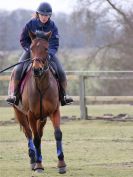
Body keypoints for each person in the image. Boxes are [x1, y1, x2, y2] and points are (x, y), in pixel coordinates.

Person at [6, 2, 73, 106]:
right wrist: (30, 50)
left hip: (47, 53)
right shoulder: (30, 24)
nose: (44, 17)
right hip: (31, 52)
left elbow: (55, 43)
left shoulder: (53, 26)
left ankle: (64, 96)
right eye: (42, 15)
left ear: (49, 16)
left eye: (47, 15)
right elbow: (23, 39)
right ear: (38, 14)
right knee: (18, 69)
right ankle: (14, 96)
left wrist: (50, 54)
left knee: (60, 71)